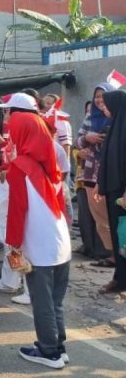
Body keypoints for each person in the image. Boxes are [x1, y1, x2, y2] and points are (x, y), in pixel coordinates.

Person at [0, 94, 71, 369]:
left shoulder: (21, 167)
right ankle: (59, 346)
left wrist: (13, 244)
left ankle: (49, 351)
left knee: (42, 301)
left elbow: (17, 211)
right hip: (60, 241)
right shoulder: (49, 163)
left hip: (40, 246)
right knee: (55, 301)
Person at [77, 83, 117, 268]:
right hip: (91, 174)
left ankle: (119, 253)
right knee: (100, 217)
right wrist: (87, 139)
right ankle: (113, 253)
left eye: (103, 96)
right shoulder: (90, 117)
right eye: (97, 96)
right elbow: (78, 142)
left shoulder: (119, 117)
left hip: (113, 174)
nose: (100, 100)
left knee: (116, 214)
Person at [98, 88, 126, 293]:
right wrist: (101, 183)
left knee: (123, 236)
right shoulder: (116, 126)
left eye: (107, 106)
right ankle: (120, 278)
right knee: (119, 237)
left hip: (122, 192)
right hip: (114, 190)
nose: (104, 109)